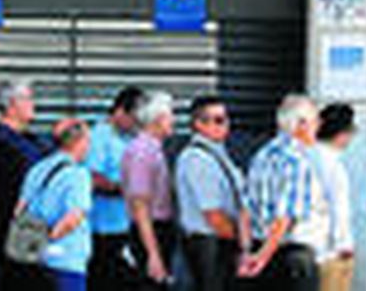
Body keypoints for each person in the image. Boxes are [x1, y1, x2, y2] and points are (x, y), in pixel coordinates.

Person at [243, 94, 323, 290]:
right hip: (292, 257)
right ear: (301, 124)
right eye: (315, 121)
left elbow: (244, 209)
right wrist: (262, 257)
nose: (318, 127)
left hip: (259, 246)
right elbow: (284, 218)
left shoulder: (260, 156)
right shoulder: (296, 162)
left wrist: (248, 252)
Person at [176, 96, 249, 291]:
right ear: (198, 124)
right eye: (217, 120)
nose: (224, 125)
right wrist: (242, 242)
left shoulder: (217, 152)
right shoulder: (197, 158)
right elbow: (213, 215)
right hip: (211, 244)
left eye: (224, 118)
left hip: (218, 243)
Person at [0, 79, 47, 291]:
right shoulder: (0, 144)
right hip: (16, 230)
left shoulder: (31, 140)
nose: (33, 104)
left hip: (38, 228)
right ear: (11, 105)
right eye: (27, 99)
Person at [17, 118, 95, 291]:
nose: (89, 145)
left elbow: (20, 209)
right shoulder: (78, 174)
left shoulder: (37, 169)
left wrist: (34, 244)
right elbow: (73, 217)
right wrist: (49, 239)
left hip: (35, 261)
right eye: (88, 140)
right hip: (67, 260)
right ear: (78, 142)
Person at [87, 86, 144, 291]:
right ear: (120, 111)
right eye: (135, 120)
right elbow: (92, 178)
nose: (138, 125)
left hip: (126, 228)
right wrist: (126, 190)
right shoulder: (99, 136)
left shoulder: (130, 138)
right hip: (102, 232)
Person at [124, 91, 178, 288]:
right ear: (158, 119)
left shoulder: (152, 148)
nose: (173, 120)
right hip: (150, 232)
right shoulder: (142, 152)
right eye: (170, 115)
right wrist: (153, 254)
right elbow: (140, 205)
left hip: (156, 231)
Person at [313, 104, 358, 291]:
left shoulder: (306, 155)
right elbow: (338, 209)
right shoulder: (333, 166)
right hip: (331, 253)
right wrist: (344, 244)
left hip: (310, 249)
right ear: (343, 133)